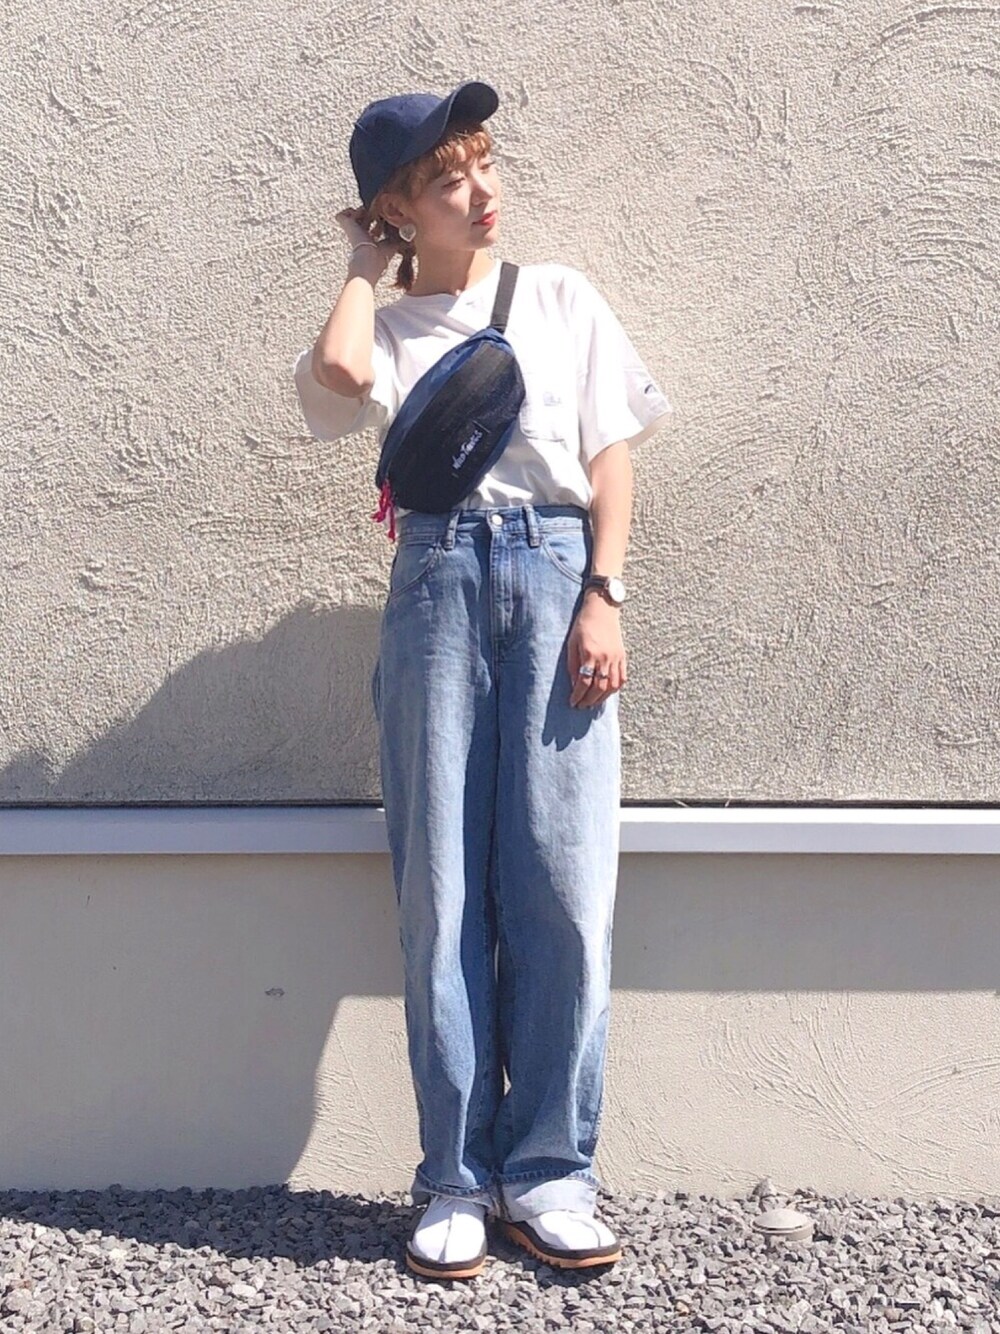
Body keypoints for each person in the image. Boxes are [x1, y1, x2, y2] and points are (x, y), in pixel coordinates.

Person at [292, 81, 673, 1280]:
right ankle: (454, 1176)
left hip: (559, 577)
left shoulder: (558, 297)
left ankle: (550, 1170)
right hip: (438, 581)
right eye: (446, 178)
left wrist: (604, 592)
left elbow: (608, 456)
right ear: (400, 206)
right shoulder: (388, 329)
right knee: (443, 891)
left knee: (562, 884)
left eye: (483, 164)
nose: (480, 190)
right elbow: (334, 379)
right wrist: (365, 265)